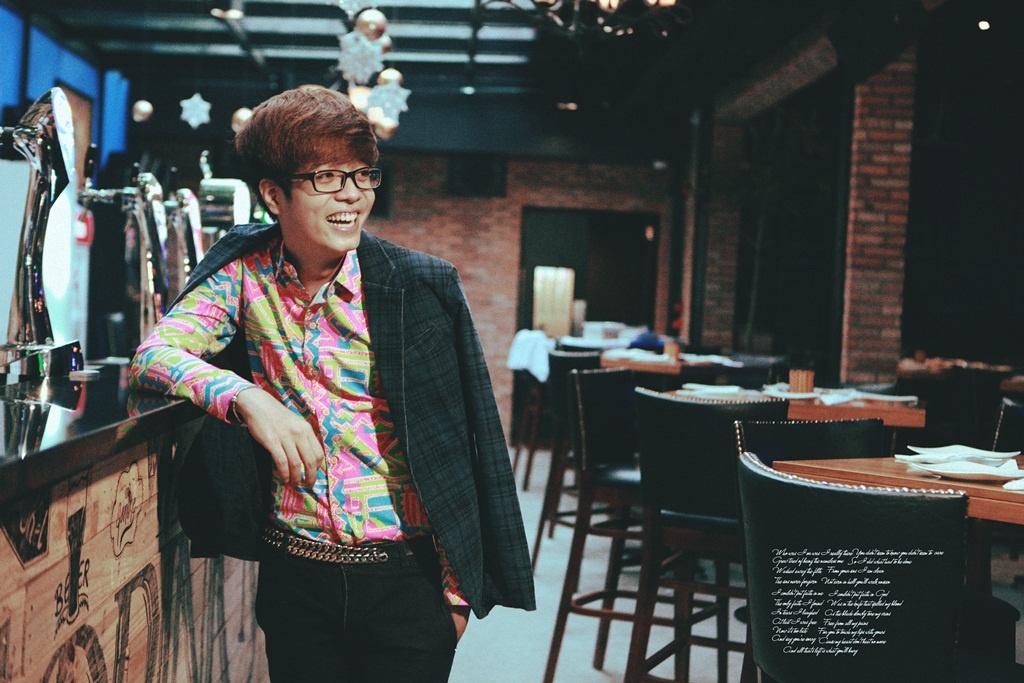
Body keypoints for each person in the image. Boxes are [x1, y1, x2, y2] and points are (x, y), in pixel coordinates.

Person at [129, 85, 535, 682]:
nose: (352, 194)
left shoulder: (417, 285)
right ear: (274, 194)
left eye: (363, 175)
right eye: (326, 177)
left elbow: (460, 440)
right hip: (297, 575)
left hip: (406, 578)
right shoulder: (244, 275)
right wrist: (248, 398)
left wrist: (453, 600)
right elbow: (154, 355)